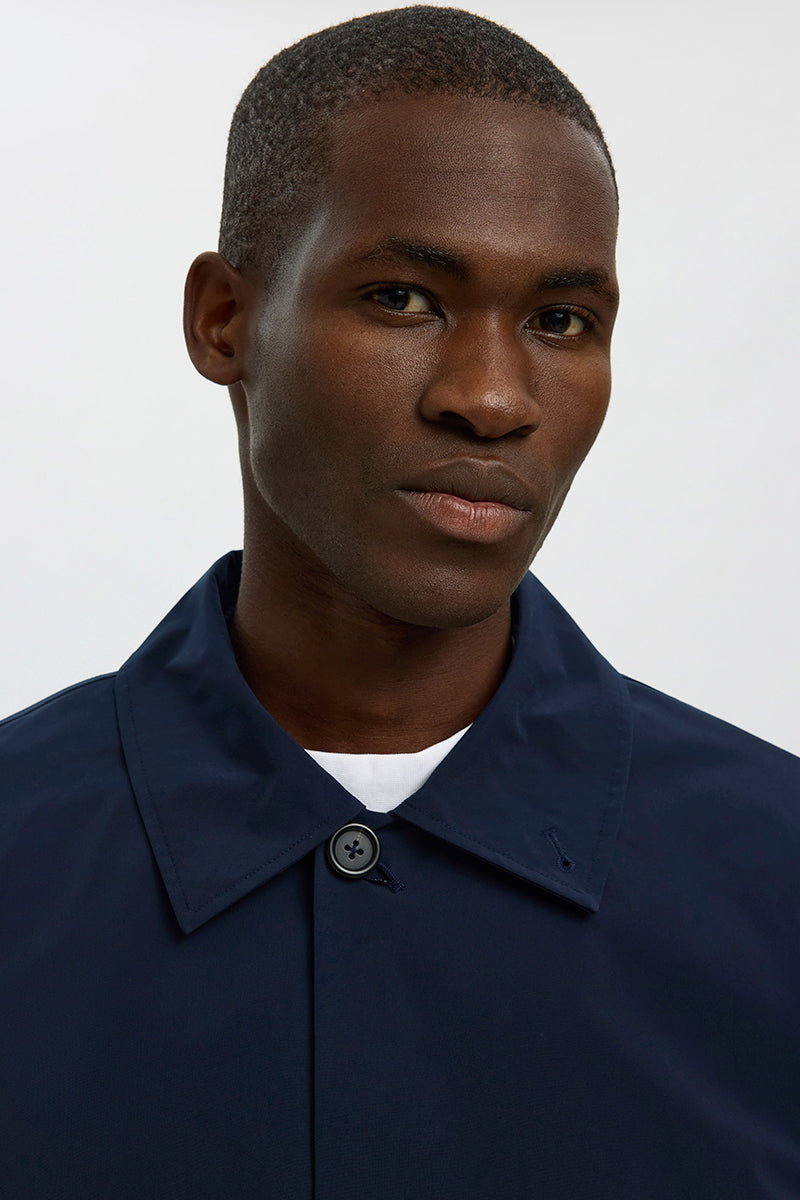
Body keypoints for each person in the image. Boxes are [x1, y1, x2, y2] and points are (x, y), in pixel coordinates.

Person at [1, 7, 797, 1198]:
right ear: (224, 320)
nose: (491, 398)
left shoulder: (776, 884)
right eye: (402, 299)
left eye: (559, 322)